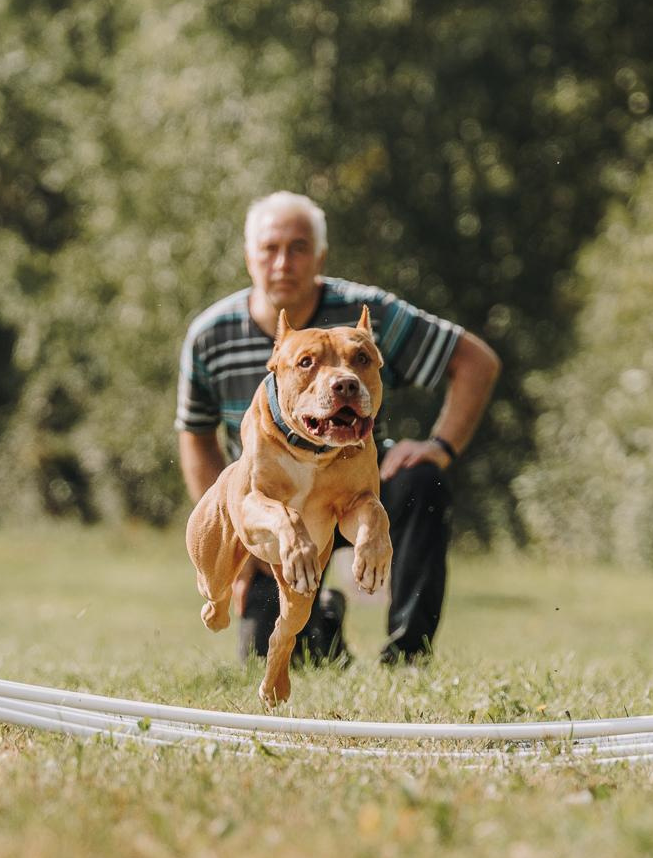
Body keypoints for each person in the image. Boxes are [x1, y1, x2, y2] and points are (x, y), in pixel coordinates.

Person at [176, 191, 501, 665]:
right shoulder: (211, 334)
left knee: (421, 482)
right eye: (270, 248)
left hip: (352, 492)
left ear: (321, 257)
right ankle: (325, 622)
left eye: (299, 247)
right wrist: (237, 544)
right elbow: (196, 437)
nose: (283, 262)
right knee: (273, 655)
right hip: (270, 505)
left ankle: (409, 656)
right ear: (249, 256)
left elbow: (475, 361)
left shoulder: (369, 314)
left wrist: (440, 446)